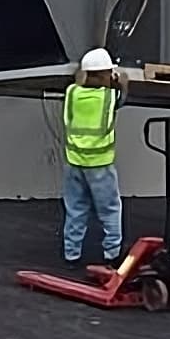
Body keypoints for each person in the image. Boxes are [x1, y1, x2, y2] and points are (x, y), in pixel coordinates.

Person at [62, 47, 129, 270]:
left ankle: (71, 255)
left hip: (74, 164)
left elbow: (79, 79)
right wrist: (122, 80)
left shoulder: (72, 93)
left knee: (75, 209)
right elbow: (123, 93)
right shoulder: (108, 97)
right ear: (102, 76)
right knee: (110, 209)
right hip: (99, 166)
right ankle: (112, 254)